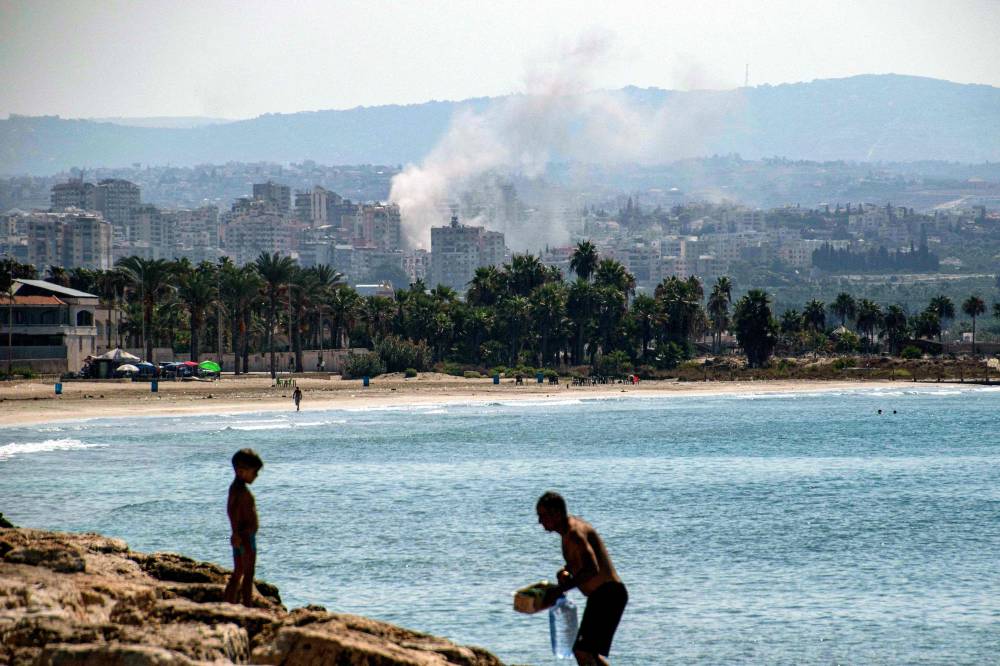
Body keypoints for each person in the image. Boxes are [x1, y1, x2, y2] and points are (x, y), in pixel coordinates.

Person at [537, 491, 628, 665]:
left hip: (608, 594)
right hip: (603, 596)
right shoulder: (568, 531)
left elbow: (592, 569)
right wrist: (566, 570)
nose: (540, 521)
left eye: (543, 515)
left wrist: (559, 590)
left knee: (582, 651)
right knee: (587, 653)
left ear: (556, 513)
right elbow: (581, 561)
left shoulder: (574, 533)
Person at [224, 448, 263, 606]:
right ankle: (247, 605)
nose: (256, 476)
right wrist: (235, 533)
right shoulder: (239, 491)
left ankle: (229, 603)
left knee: (239, 572)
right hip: (245, 536)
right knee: (248, 574)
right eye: (255, 472)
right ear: (241, 471)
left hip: (242, 535)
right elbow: (231, 511)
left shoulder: (237, 489)